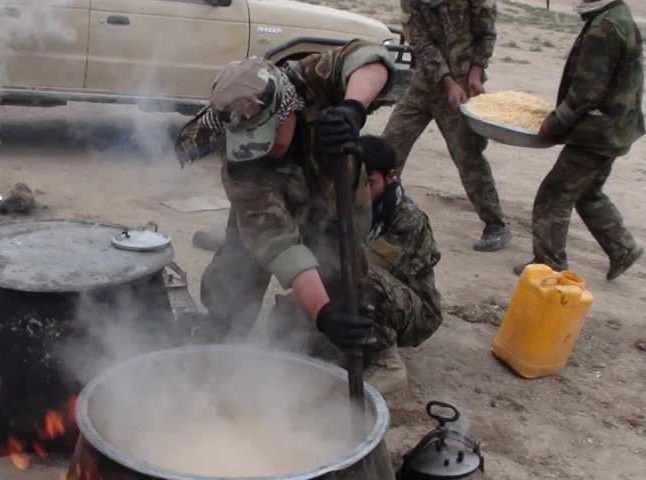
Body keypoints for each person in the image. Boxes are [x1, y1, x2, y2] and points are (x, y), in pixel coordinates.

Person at [173, 39, 413, 393]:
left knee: (342, 285)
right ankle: (221, 329)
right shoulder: (242, 167)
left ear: (287, 110)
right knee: (235, 270)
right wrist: (324, 314)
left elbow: (372, 59)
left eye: (268, 136)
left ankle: (380, 355)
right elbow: (276, 241)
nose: (264, 150)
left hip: (334, 202)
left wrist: (352, 108)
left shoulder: (305, 81)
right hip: (271, 209)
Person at [269, 135, 443, 394]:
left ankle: (388, 363)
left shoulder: (408, 218)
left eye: (368, 183)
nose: (358, 192)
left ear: (390, 177)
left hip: (412, 310)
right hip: (365, 293)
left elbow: (364, 274)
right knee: (284, 321)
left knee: (355, 271)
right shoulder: (343, 205)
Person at [514, 0, 643, 279]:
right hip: (617, 127)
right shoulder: (618, 14)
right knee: (588, 192)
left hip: (598, 132)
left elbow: (587, 91)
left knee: (553, 195)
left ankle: (548, 266)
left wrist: (556, 121)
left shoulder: (603, 28)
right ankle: (622, 247)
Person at [383, 0, 512, 253]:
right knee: (390, 145)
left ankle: (495, 224)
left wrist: (475, 74)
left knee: (467, 156)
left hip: (463, 85)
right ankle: (379, 211)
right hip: (425, 83)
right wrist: (446, 80)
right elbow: (423, 41)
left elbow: (486, 33)